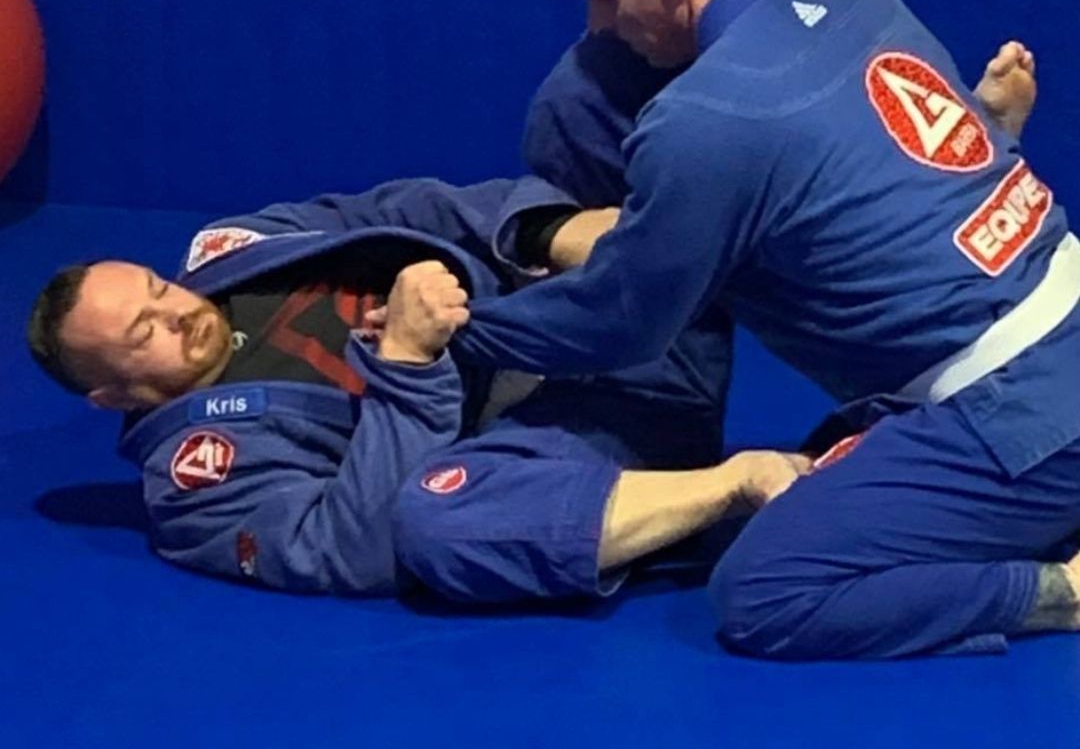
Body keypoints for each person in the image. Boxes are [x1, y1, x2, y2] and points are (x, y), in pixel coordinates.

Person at [441, 0, 1080, 658]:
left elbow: (619, 325)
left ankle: (1060, 590)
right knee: (812, 460)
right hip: (1054, 316)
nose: (599, 23)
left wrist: (464, 330)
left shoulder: (707, 123)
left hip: (1021, 417)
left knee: (764, 590)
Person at [26, 169, 803, 599]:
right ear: (114, 397)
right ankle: (735, 489)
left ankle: (907, 362)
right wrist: (406, 364)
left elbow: (403, 207)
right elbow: (354, 551)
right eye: (144, 333)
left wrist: (545, 231)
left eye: (159, 289)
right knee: (440, 526)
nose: (179, 311)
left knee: (602, 113)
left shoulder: (234, 250)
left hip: (602, 321)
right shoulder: (199, 484)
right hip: (577, 433)